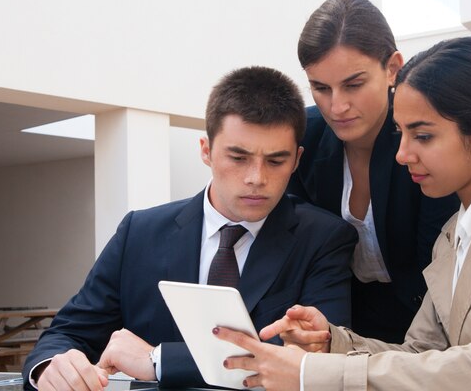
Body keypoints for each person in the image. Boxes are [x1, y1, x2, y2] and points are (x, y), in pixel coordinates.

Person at [215, 37, 471, 390]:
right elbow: (421, 352)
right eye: (401, 133)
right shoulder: (455, 233)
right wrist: (334, 342)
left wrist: (310, 374)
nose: (402, 154)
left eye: (423, 135)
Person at [22, 66, 358, 390]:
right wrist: (52, 366)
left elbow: (312, 366)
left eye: (275, 160)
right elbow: (67, 333)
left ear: (297, 160)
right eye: (238, 158)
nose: (257, 177)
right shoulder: (138, 233)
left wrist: (158, 360)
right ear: (206, 151)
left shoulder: (324, 239)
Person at [286, 0, 460, 343]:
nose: (337, 106)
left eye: (354, 84)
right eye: (320, 88)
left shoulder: (426, 138)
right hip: (340, 323)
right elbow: (300, 248)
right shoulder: (305, 136)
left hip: (434, 326)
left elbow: (440, 266)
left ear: (393, 67)